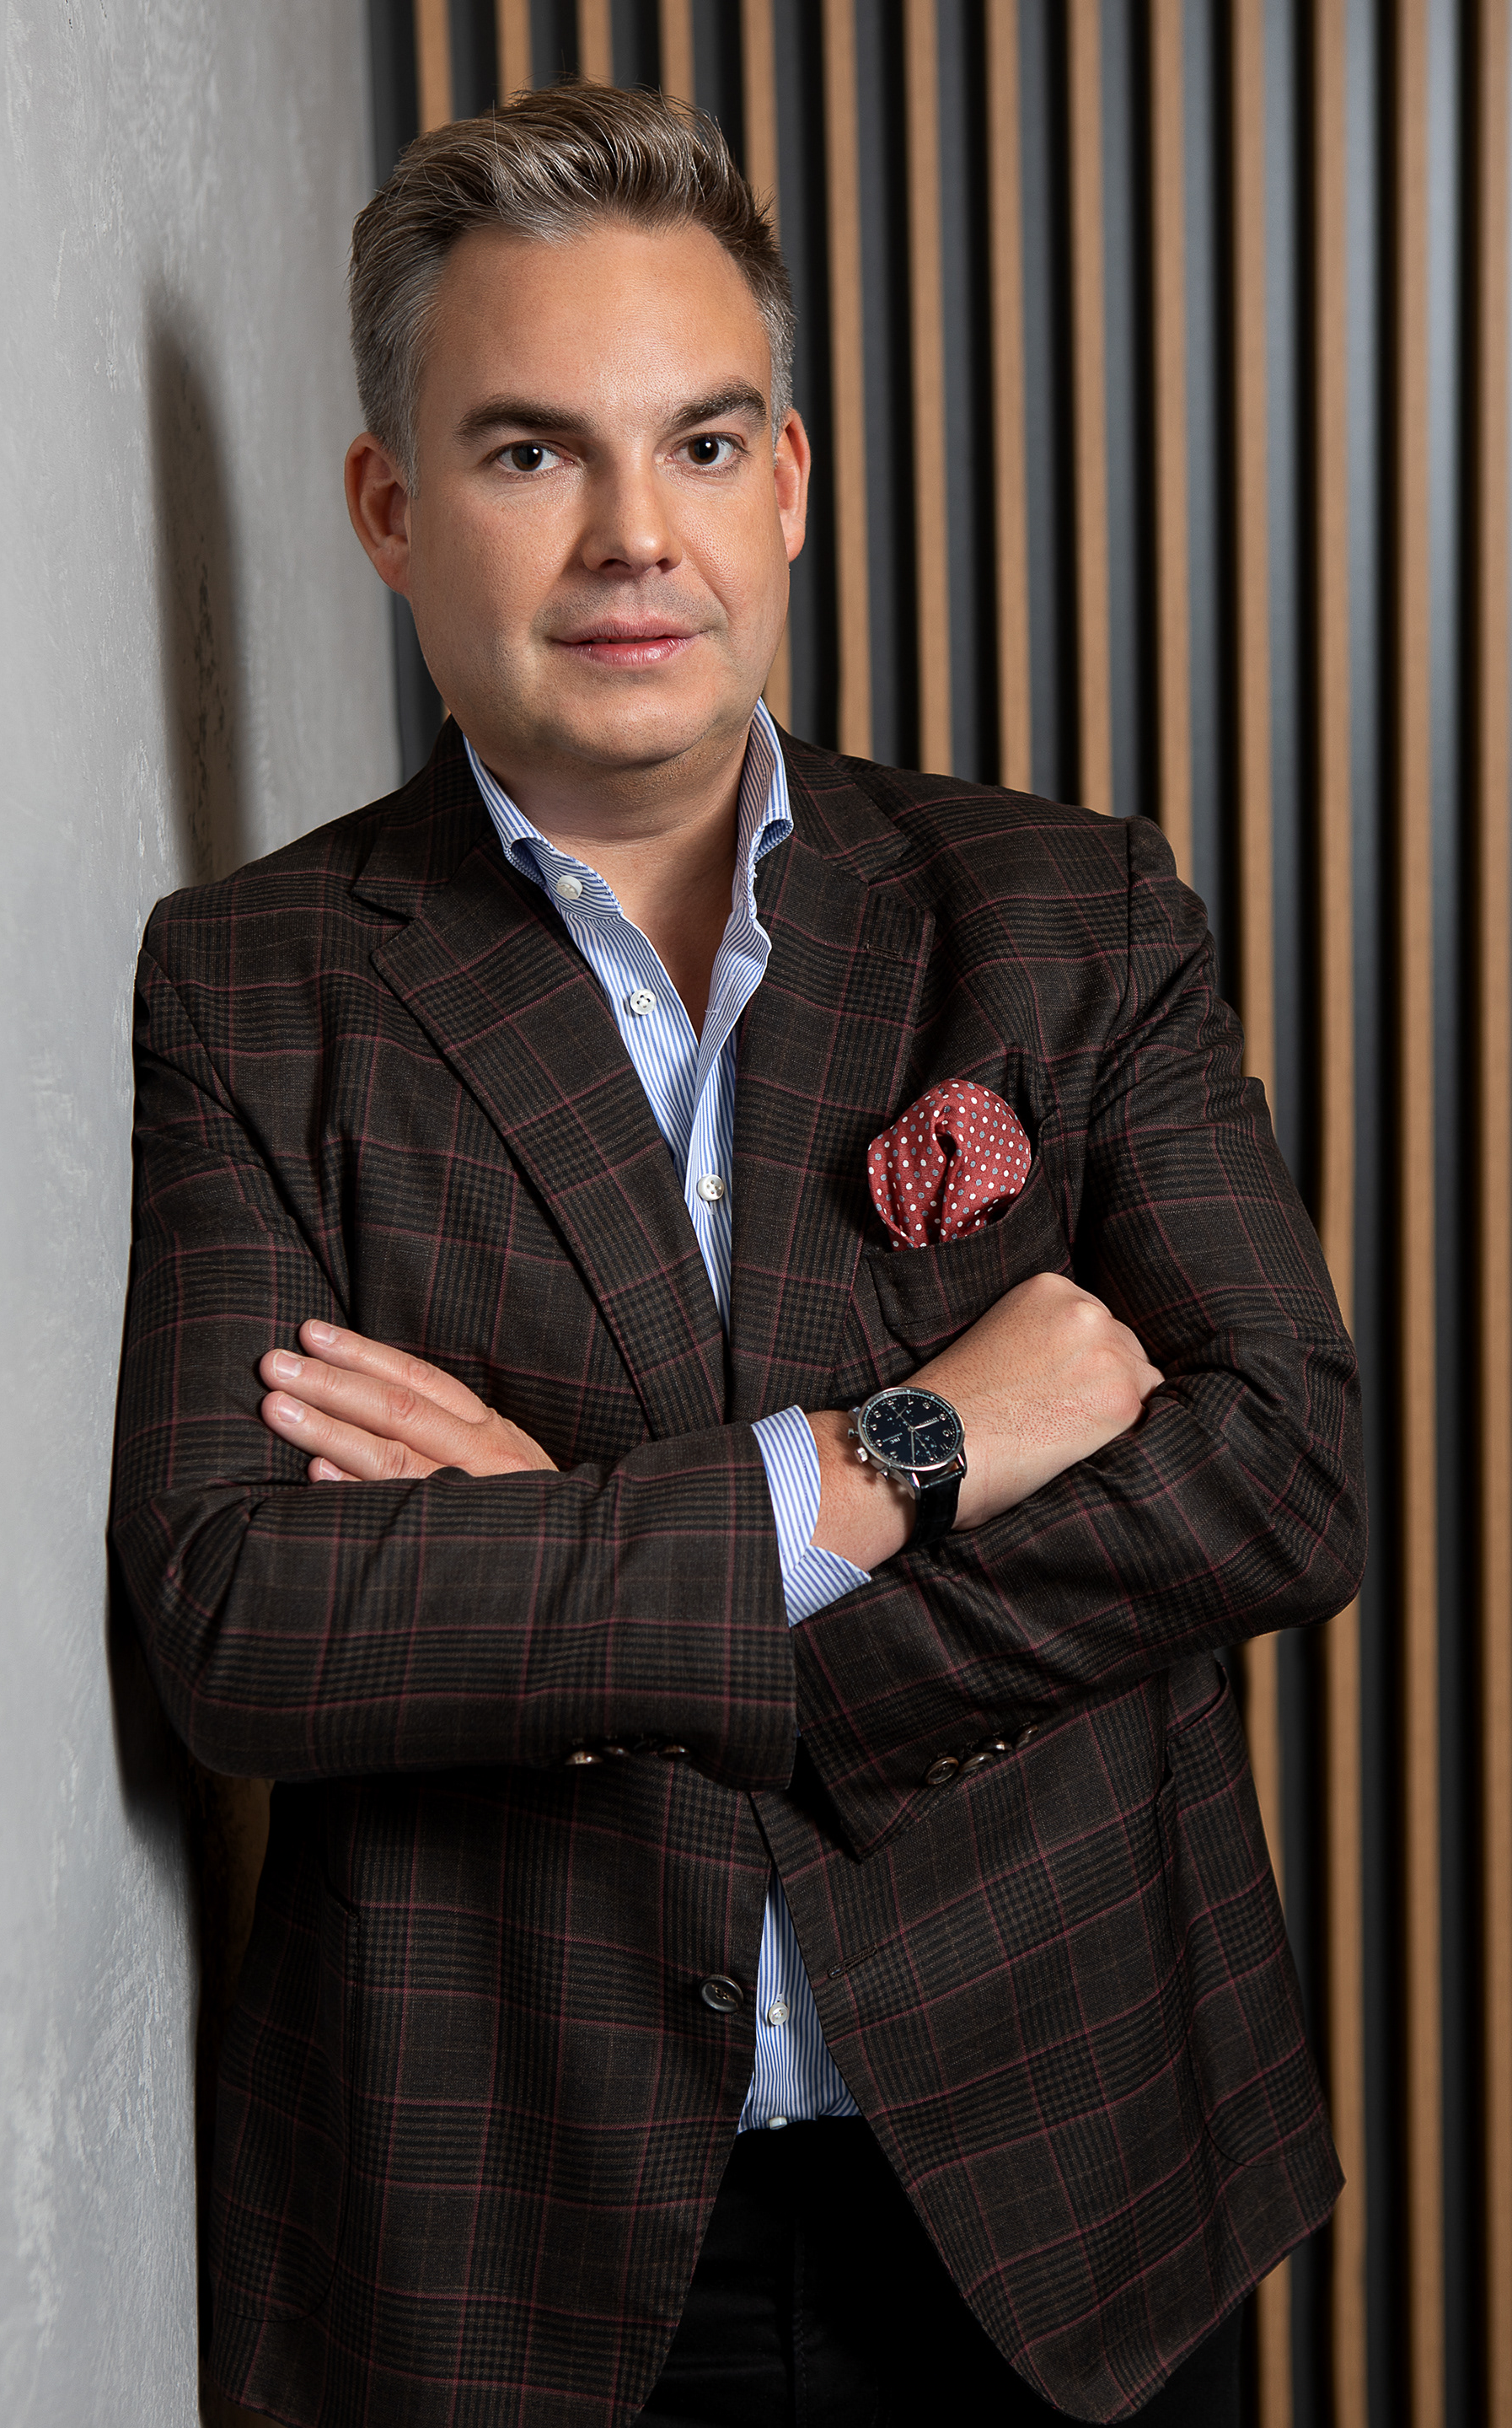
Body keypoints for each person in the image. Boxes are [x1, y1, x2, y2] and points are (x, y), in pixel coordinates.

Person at [110, 82, 1364, 2428]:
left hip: (1067, 2166)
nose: (631, 538)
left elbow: (1286, 1477)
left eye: (697, 445)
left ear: (786, 481)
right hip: (512, 2228)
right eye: (529, 453)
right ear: (389, 508)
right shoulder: (255, 984)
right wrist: (889, 1461)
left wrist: (576, 1562)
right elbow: (245, 1623)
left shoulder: (1067, 912)